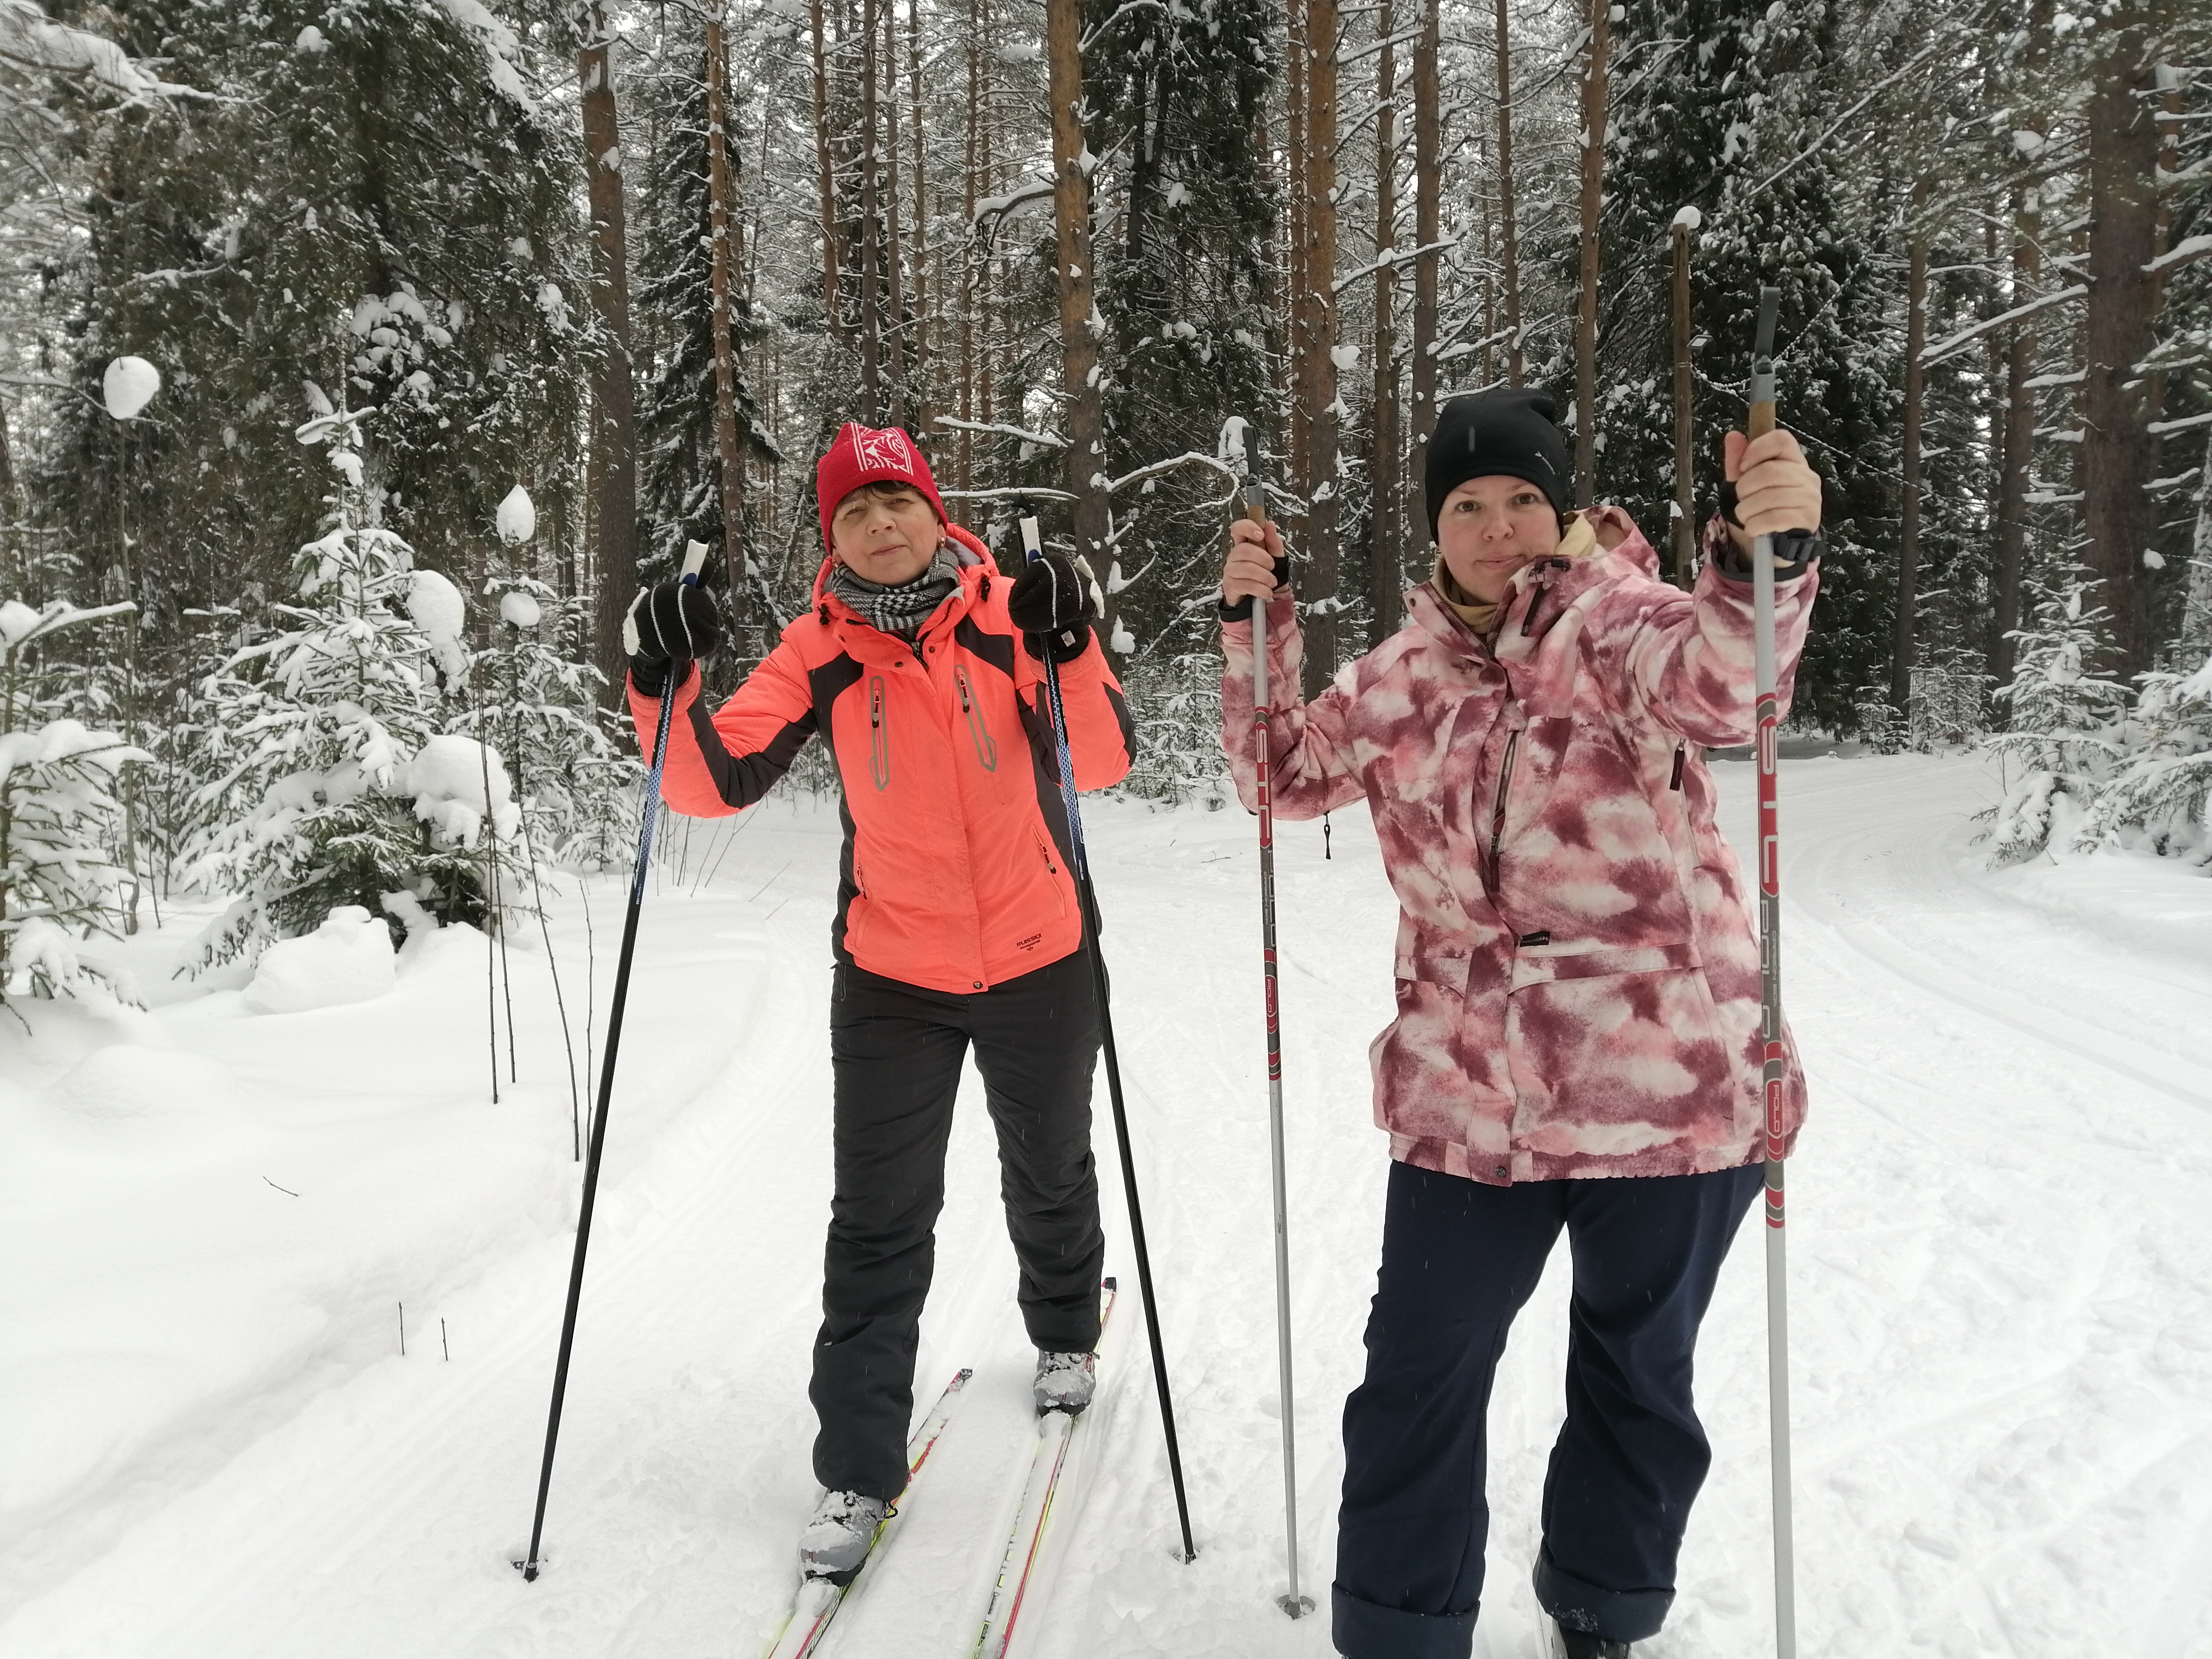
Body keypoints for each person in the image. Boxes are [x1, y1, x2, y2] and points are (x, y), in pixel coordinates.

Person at [1217, 388, 1824, 1659]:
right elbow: (1280, 773)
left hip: (1666, 1099)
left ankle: (1603, 1613)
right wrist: (1259, 628)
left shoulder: (1623, 625)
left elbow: (1727, 684)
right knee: (1417, 1381)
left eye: (1524, 502)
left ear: (1560, 512)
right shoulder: (1395, 681)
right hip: (1469, 1104)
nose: (1499, 528)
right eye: (1469, 505)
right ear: (1435, 526)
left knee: (1636, 1376)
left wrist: (1768, 556)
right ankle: (1401, 1631)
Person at [624, 421, 1135, 1583]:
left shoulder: (1014, 614)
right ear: (832, 534)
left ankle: (1064, 1331)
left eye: (897, 502)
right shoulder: (819, 648)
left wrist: (1074, 639)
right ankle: (857, 1463)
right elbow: (711, 781)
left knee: (1049, 1163)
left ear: (935, 510)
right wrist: (663, 683)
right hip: (894, 974)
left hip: (1041, 950)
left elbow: (1098, 765)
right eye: (856, 512)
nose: (883, 526)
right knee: (877, 1219)